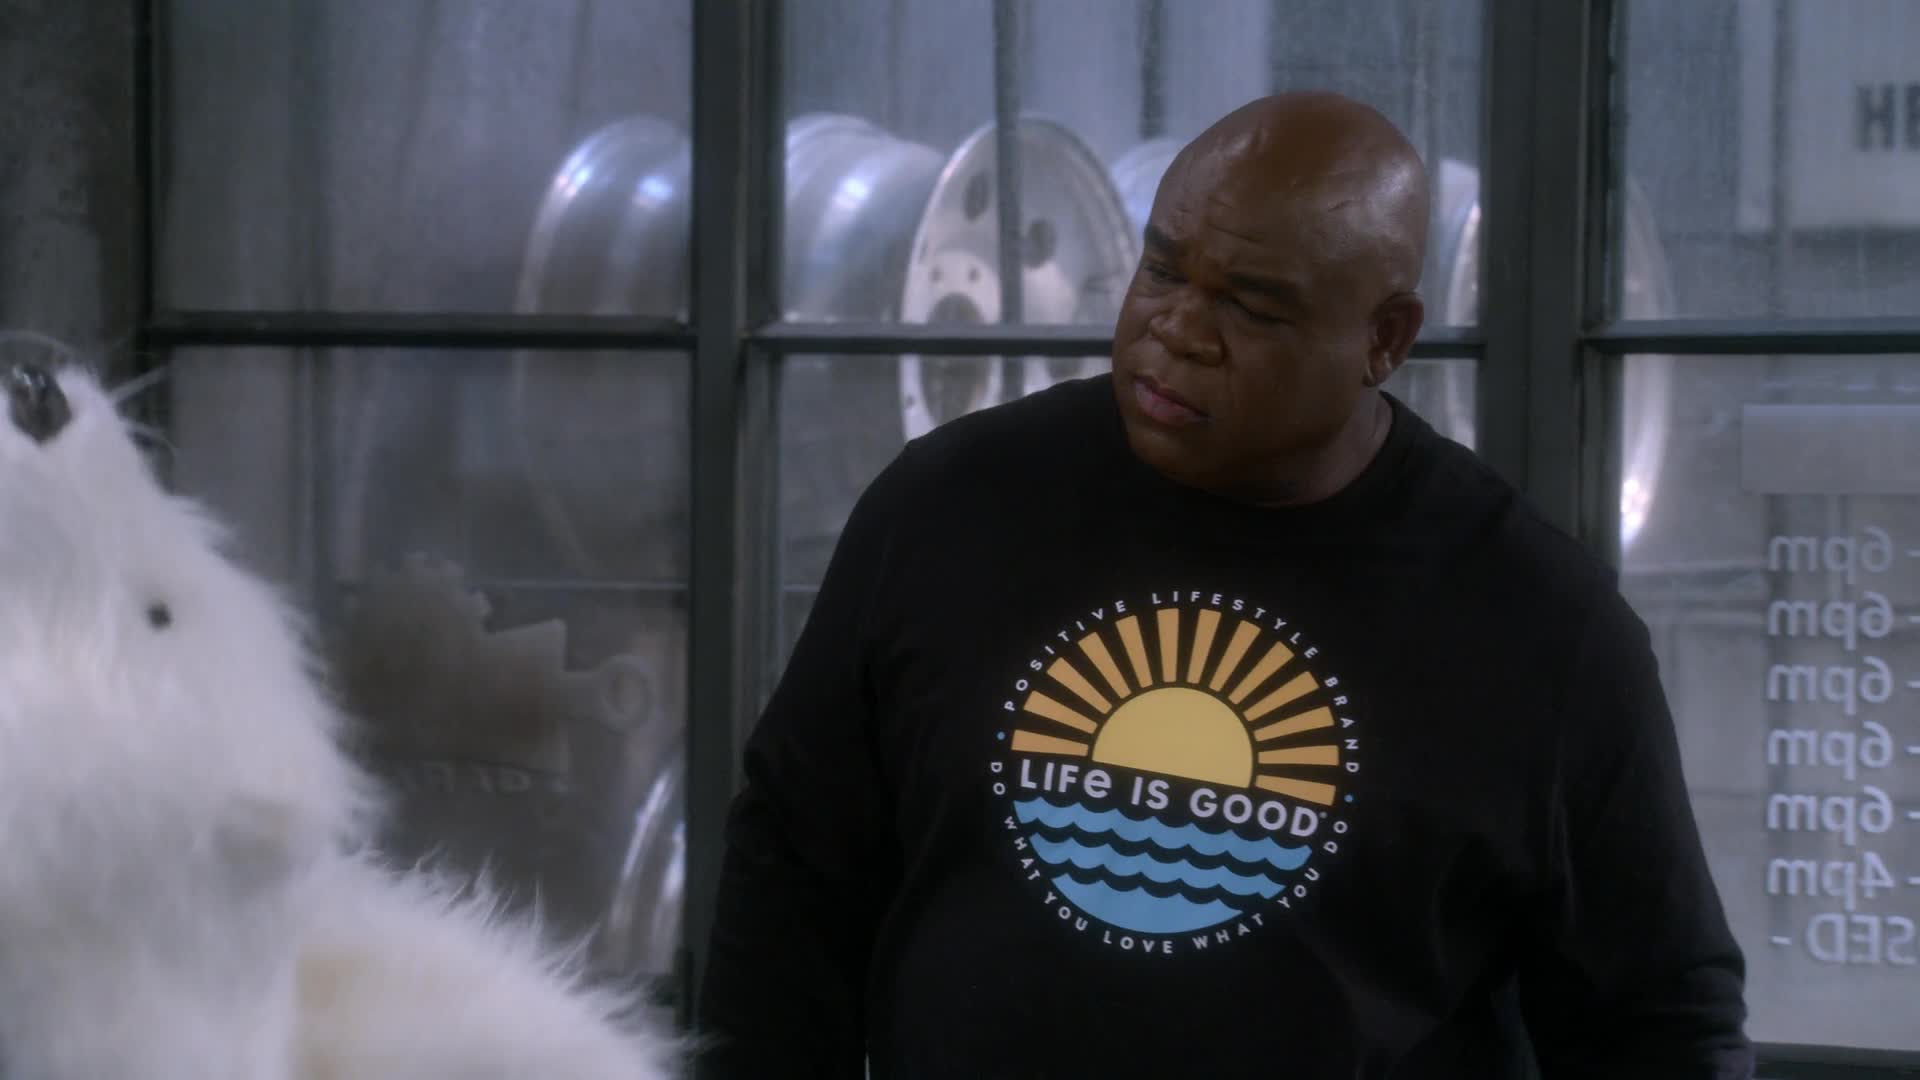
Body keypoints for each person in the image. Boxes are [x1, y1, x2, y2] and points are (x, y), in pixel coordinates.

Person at [695, 91, 1753, 1079]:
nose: (1178, 331)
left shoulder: (1538, 623)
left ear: (1384, 339)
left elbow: (1661, 1016)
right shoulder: (947, 506)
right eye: (1162, 271)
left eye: (1251, 307)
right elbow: (791, 876)